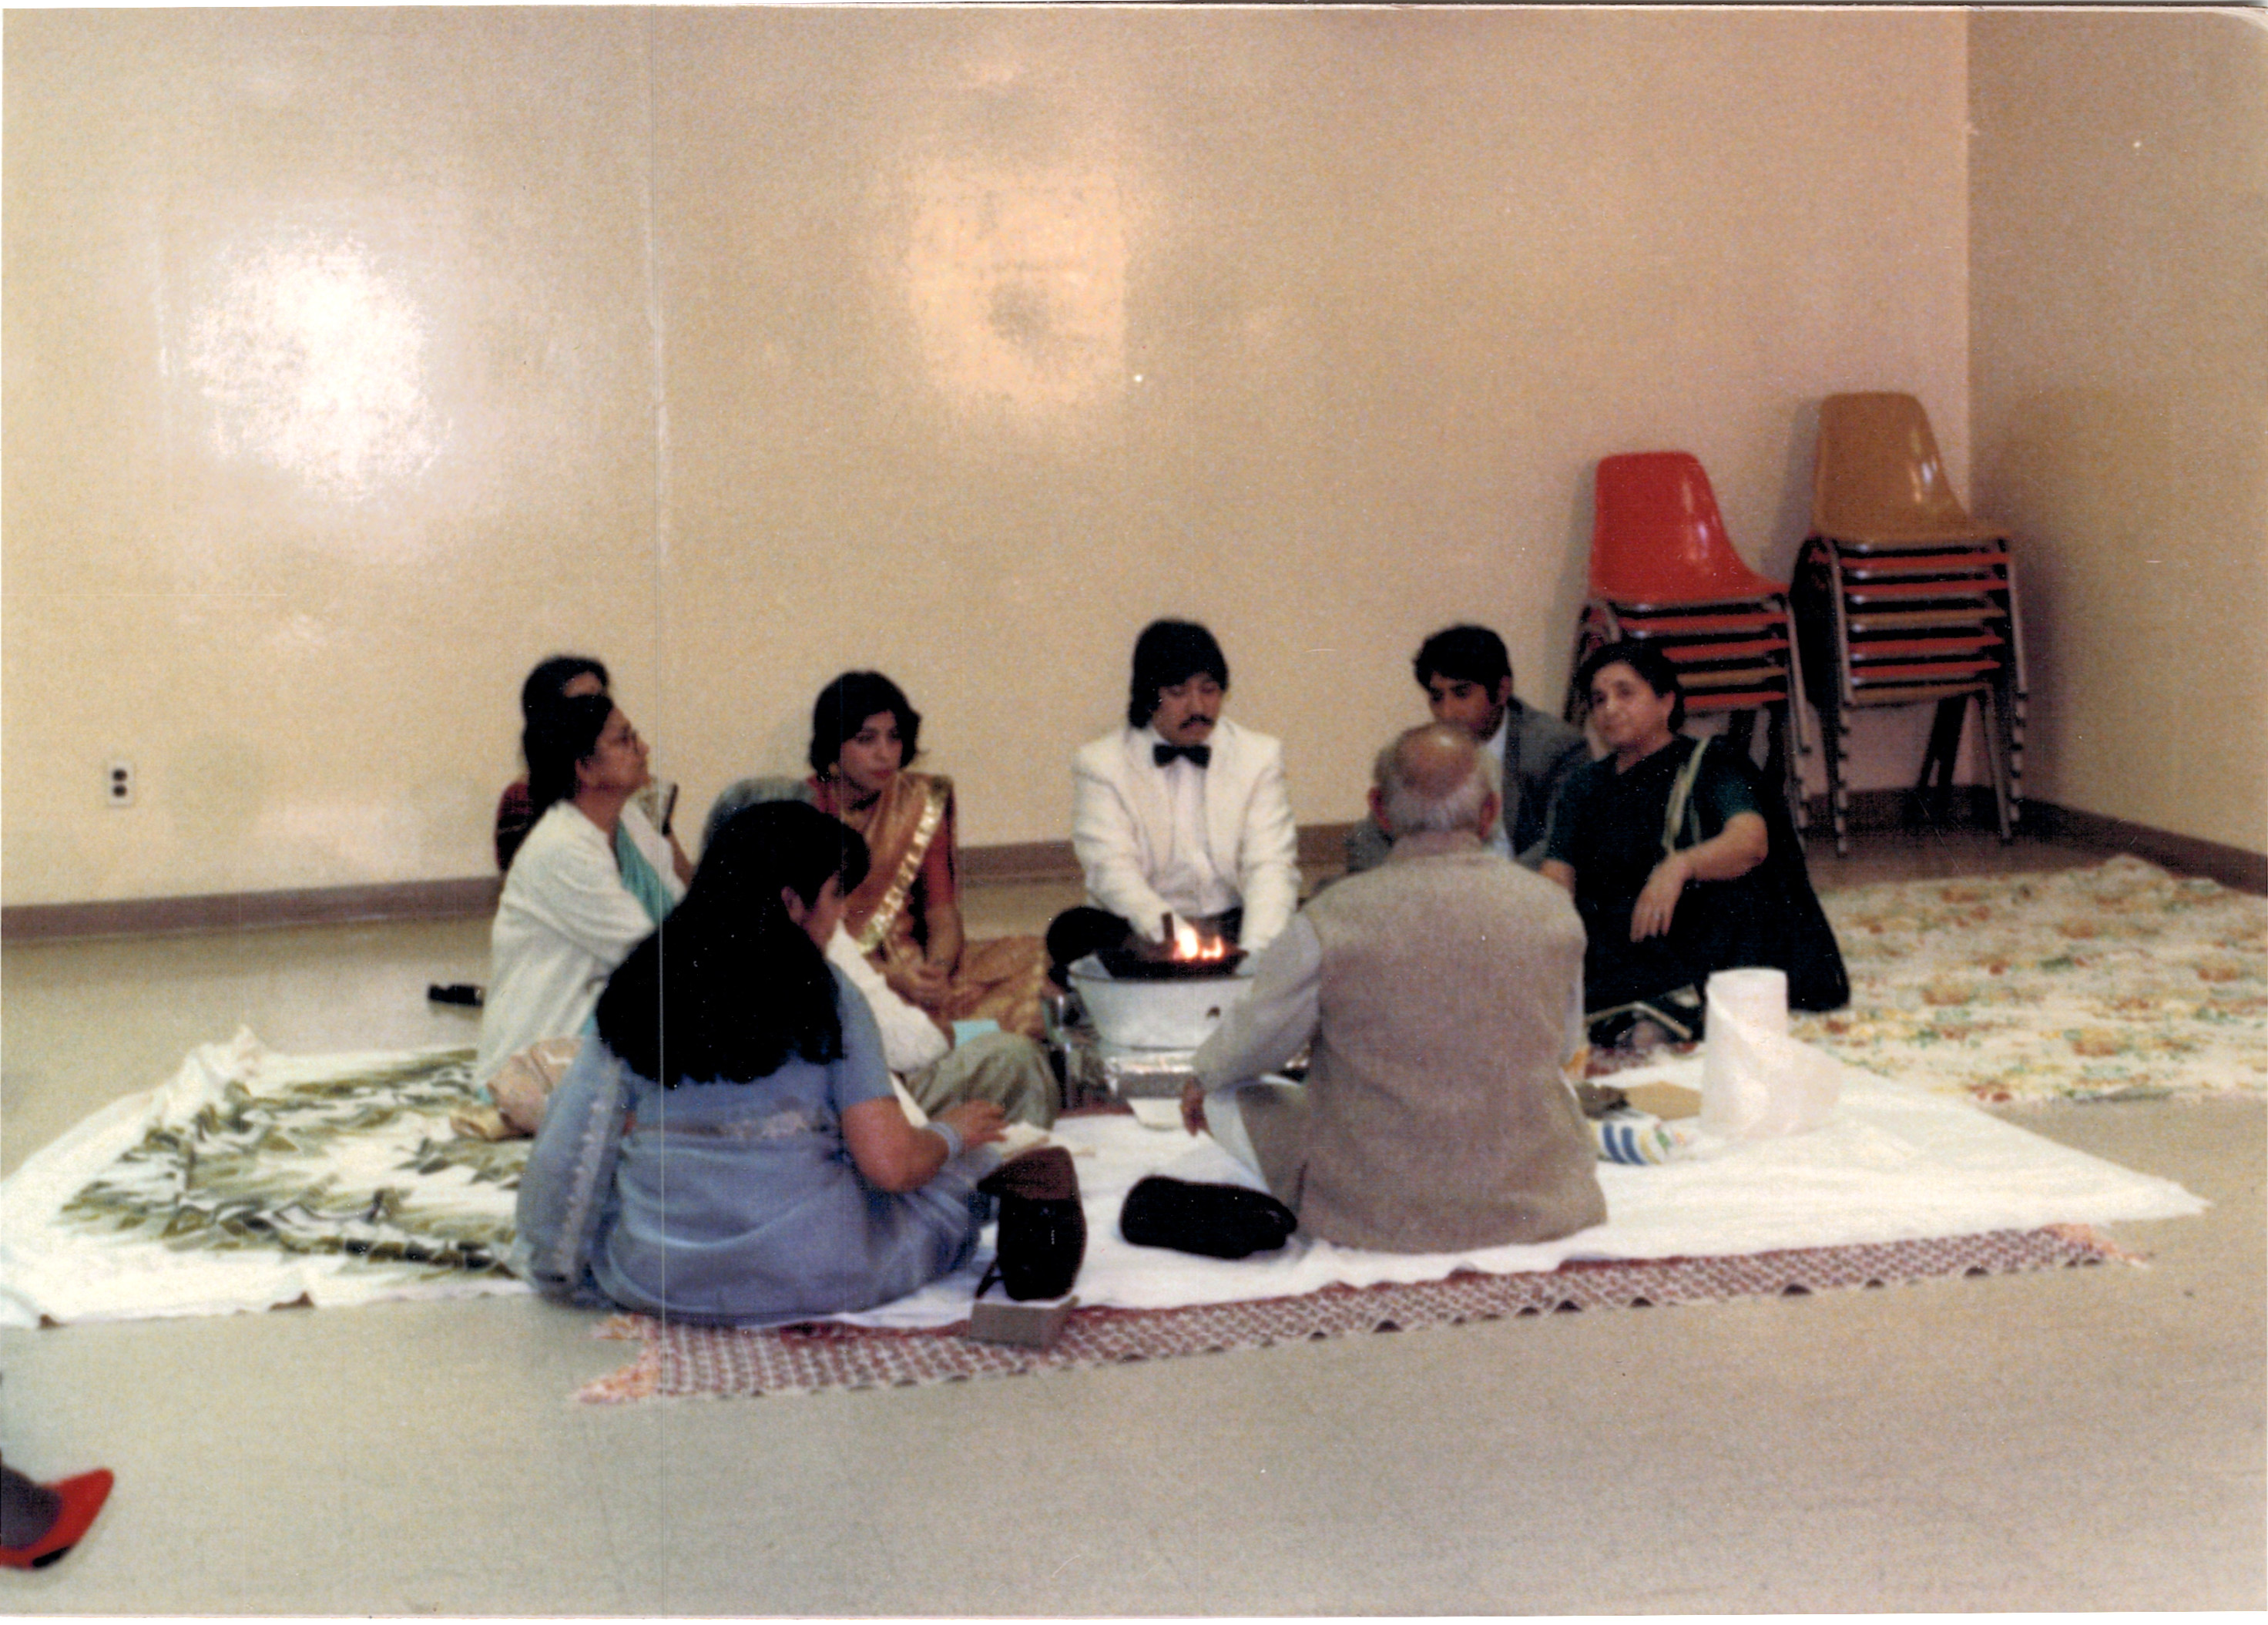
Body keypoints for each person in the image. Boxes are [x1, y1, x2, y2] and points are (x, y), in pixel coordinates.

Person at [512, 801, 1011, 1322]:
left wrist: (556, 1269)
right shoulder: (830, 994)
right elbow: (891, 1165)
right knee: (972, 1173)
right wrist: (950, 1134)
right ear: (792, 902)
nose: (842, 914)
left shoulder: (643, 983)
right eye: (836, 895)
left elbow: (568, 1154)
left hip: (658, 1279)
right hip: (815, 1274)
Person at [1182, 724, 1605, 1254]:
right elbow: (1564, 1049)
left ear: (1378, 809)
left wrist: (1203, 1078)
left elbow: (1256, 1041)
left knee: (1226, 1089)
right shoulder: (1552, 908)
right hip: (1539, 1202)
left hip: (1377, 1210)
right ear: (1490, 812)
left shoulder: (1330, 917)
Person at [742, 671, 1055, 1042]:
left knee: (1045, 966)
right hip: (844, 971)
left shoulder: (918, 799)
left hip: (916, 964)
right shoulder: (801, 809)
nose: (885, 753)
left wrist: (936, 972)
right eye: (866, 739)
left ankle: (949, 1036)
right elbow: (800, 936)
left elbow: (942, 915)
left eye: (894, 737)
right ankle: (949, 1040)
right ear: (833, 744)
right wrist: (891, 979)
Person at [1539, 639, 1777, 1049]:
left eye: (1625, 693)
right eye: (1599, 700)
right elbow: (1558, 872)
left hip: (1685, 921)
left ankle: (1666, 1012)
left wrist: (1678, 867)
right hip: (1617, 932)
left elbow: (1750, 841)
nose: (1609, 708)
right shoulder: (1585, 785)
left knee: (1732, 902)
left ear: (1666, 702)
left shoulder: (1707, 763)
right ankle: (1642, 1014)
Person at [1052, 619, 1301, 979]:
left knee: (1307, 920)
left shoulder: (1259, 756)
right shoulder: (1101, 764)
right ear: (1148, 694)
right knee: (1074, 930)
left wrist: (1255, 958)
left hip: (1236, 926)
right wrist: (1185, 946)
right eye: (1178, 692)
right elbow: (1113, 873)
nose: (1197, 707)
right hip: (1149, 934)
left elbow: (1270, 865)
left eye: (1209, 690)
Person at [474, 692, 686, 1092]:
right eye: (624, 740)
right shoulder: (561, 847)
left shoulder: (631, 824)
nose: (643, 749)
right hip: (541, 1064)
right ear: (585, 768)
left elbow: (682, 913)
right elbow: (648, 958)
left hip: (613, 1039)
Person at [1344, 624, 1588, 875]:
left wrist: (1492, 884)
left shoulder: (1554, 747)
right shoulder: (1432, 751)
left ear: (1502, 691)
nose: (1447, 712)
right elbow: (1366, 840)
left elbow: (1562, 843)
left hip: (1516, 886)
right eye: (1437, 697)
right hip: (1435, 884)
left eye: (1461, 694)